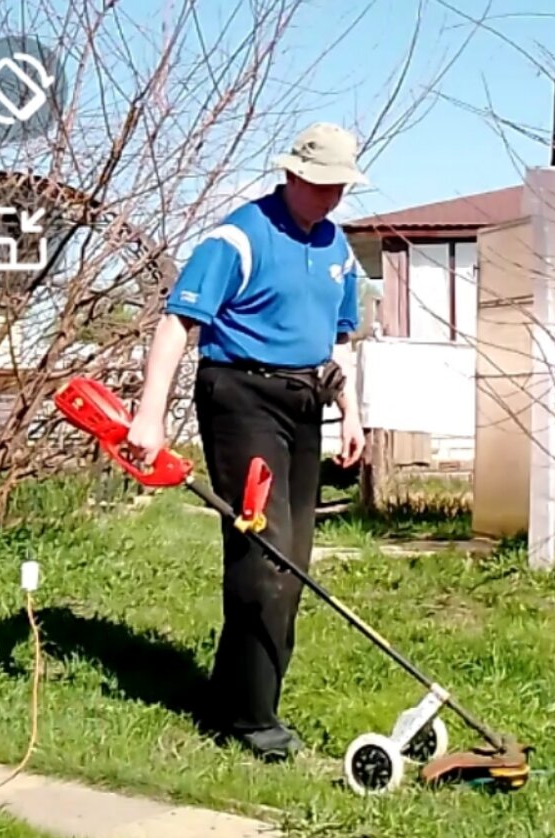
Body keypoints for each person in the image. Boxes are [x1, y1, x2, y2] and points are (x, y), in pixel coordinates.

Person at [125, 122, 369, 762]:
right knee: (265, 557)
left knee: (294, 562)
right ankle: (249, 719)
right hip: (241, 397)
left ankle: (241, 697)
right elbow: (178, 320)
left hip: (305, 403)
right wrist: (149, 418)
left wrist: (353, 414)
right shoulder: (239, 236)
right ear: (291, 175)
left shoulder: (338, 248)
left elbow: (339, 340)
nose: (330, 197)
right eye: (321, 184)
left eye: (340, 186)